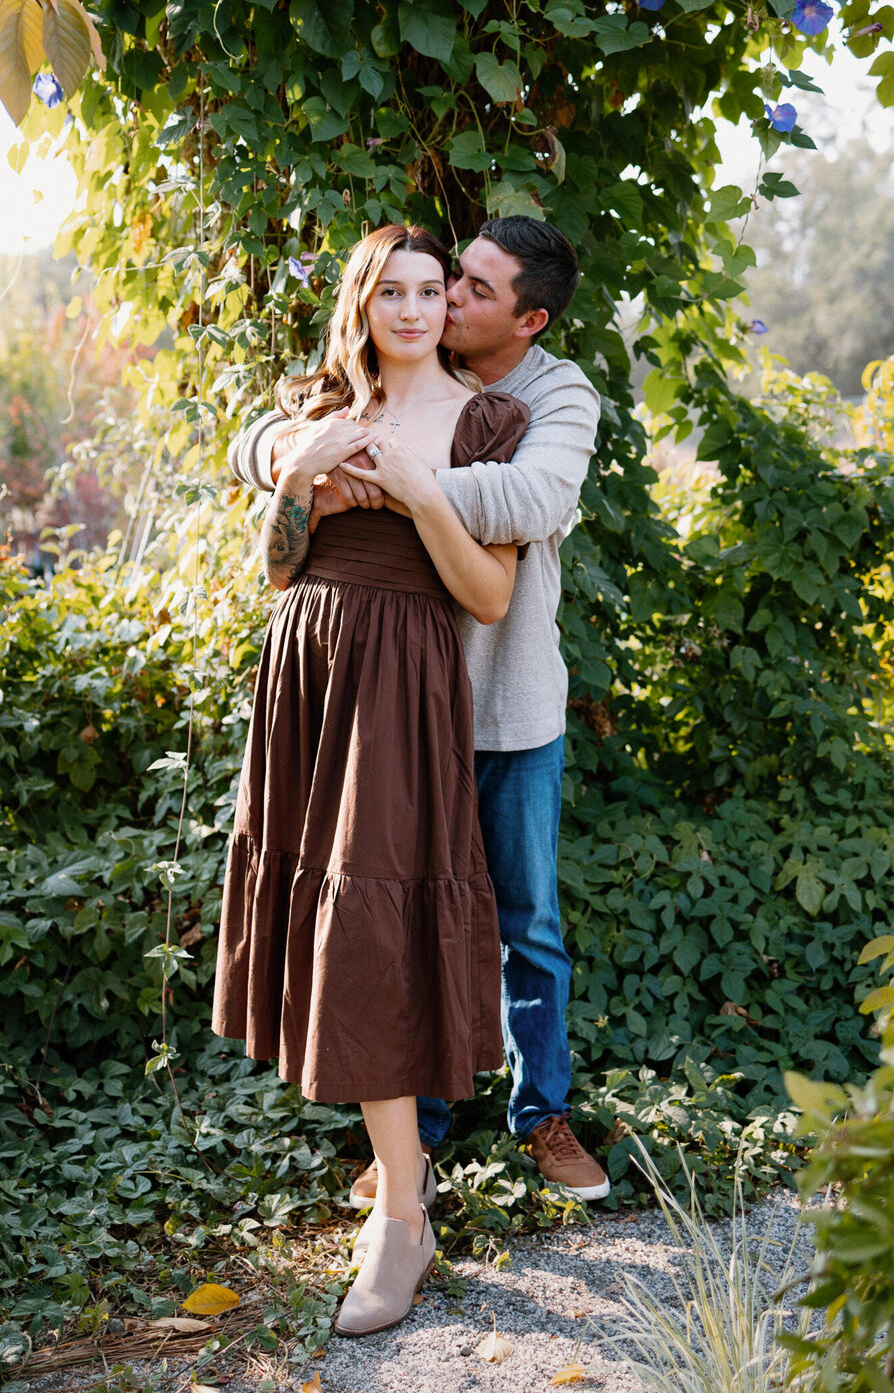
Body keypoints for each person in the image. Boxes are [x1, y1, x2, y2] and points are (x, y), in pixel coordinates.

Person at [228, 217, 608, 1203]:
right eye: (444, 282)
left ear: (525, 319)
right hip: (372, 704)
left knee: (522, 918)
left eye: (463, 291)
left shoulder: (546, 398)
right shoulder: (343, 400)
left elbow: (525, 504)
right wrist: (296, 458)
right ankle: (416, 1142)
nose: (444, 303)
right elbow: (262, 472)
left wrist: (396, 480)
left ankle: (542, 1115)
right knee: (388, 905)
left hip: (500, 703)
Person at [212, 223, 530, 1336]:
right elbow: (279, 562)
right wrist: (294, 476)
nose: (411, 310)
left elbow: (485, 598)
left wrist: (416, 491)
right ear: (364, 302)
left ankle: (403, 1214)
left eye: (430, 291)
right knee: (326, 916)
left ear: (452, 305)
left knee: (375, 925)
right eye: (390, 291)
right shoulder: (317, 411)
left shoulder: (485, 422)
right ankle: (396, 1191)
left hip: (402, 673)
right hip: (306, 665)